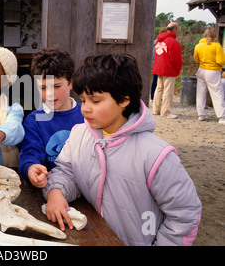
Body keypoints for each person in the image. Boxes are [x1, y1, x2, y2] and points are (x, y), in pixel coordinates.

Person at [43, 53, 202, 246]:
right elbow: (66, 171)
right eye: (83, 100)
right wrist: (56, 192)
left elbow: (185, 214)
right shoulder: (79, 135)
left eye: (95, 100)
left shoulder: (156, 154)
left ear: (124, 100)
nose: (85, 109)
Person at [18, 48, 84, 188]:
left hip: (87, 189)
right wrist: (32, 168)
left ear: (71, 82)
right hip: (51, 189)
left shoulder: (87, 115)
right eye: (43, 88)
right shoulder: (33, 121)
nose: (49, 94)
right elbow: (30, 154)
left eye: (56, 86)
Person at [193, 27, 225, 124]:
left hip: (201, 70)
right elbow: (221, 61)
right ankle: (222, 116)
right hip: (213, 71)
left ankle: (201, 114)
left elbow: (196, 59)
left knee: (201, 92)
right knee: (217, 93)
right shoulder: (217, 46)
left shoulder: (198, 46)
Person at [152, 22, 182, 118]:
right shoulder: (172, 42)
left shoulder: (159, 40)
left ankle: (155, 109)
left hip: (158, 67)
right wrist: (178, 69)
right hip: (169, 69)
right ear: (175, 30)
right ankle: (166, 112)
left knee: (159, 89)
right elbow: (176, 59)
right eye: (177, 29)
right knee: (168, 91)